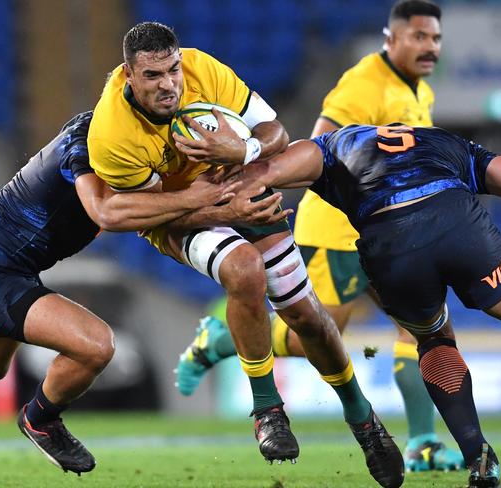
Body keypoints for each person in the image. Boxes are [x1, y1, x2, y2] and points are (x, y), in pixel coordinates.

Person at [88, 21, 405, 487]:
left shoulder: (203, 70)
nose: (169, 84)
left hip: (240, 186)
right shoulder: (112, 133)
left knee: (307, 317)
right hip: (174, 217)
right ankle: (267, 410)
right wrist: (214, 204)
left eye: (172, 70)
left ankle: (363, 420)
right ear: (129, 75)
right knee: (244, 268)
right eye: (153, 76)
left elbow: (277, 132)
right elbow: (151, 214)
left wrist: (244, 147)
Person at [175, 0, 464, 473]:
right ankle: (222, 341)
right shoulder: (363, 84)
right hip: (338, 230)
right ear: (391, 39)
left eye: (435, 38)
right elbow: (320, 145)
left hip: (385, 230)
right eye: (418, 37)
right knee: (315, 332)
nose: (429, 47)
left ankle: (423, 442)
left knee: (423, 321)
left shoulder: (419, 93)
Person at [0, 111, 246, 488]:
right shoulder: (85, 146)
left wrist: (218, 211)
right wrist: (200, 200)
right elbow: (106, 212)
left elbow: (154, 218)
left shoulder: (128, 148)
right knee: (95, 345)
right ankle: (40, 418)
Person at [232, 122, 501, 488]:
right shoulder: (445, 141)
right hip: (460, 227)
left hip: (392, 248)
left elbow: (266, 172)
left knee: (433, 339)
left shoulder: (332, 145)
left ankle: (478, 457)